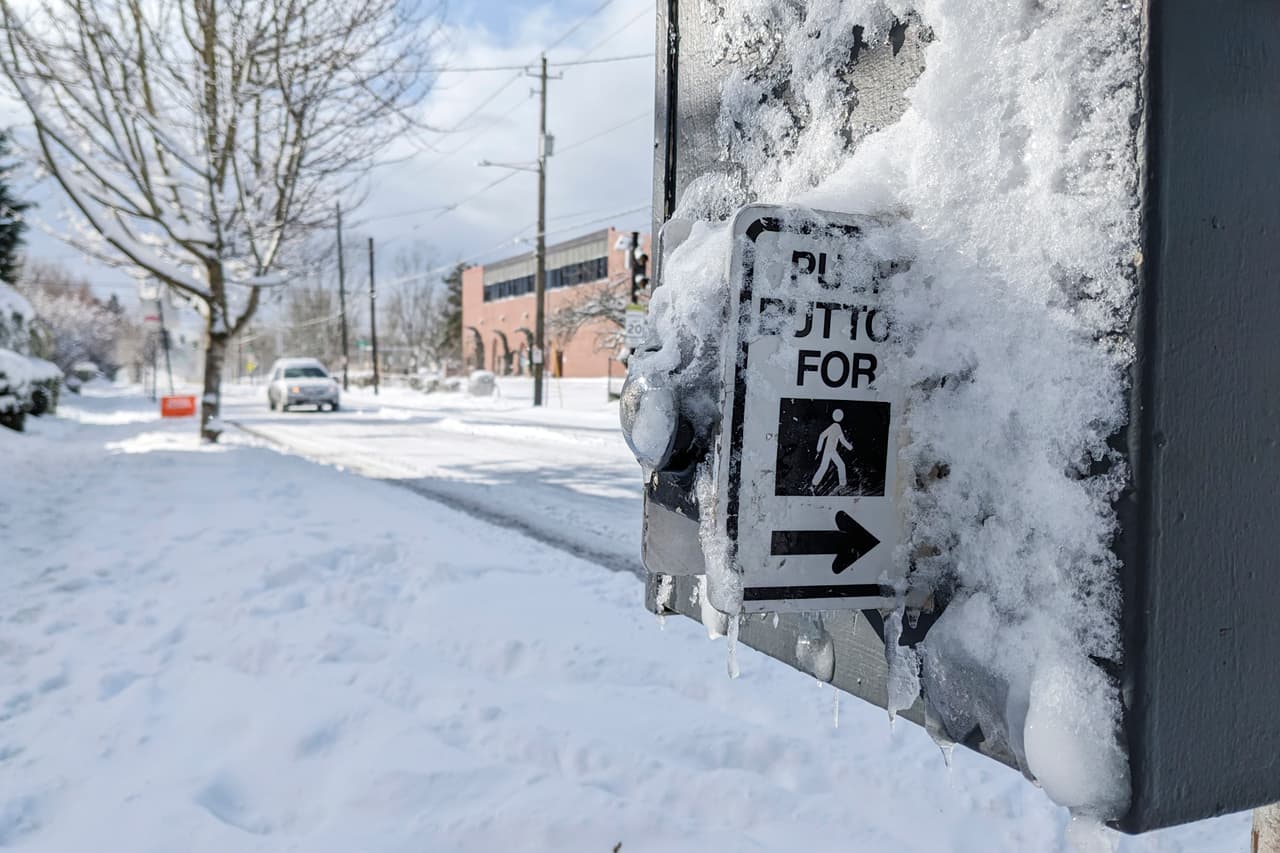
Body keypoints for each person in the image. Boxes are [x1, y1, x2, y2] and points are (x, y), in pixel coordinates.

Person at [813, 408, 852, 488]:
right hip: (830, 451)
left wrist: (819, 449)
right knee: (840, 465)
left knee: (826, 467)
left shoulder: (836, 427)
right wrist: (850, 447)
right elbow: (822, 435)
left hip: (830, 451)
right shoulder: (836, 426)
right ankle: (842, 484)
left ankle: (814, 483)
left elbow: (842, 440)